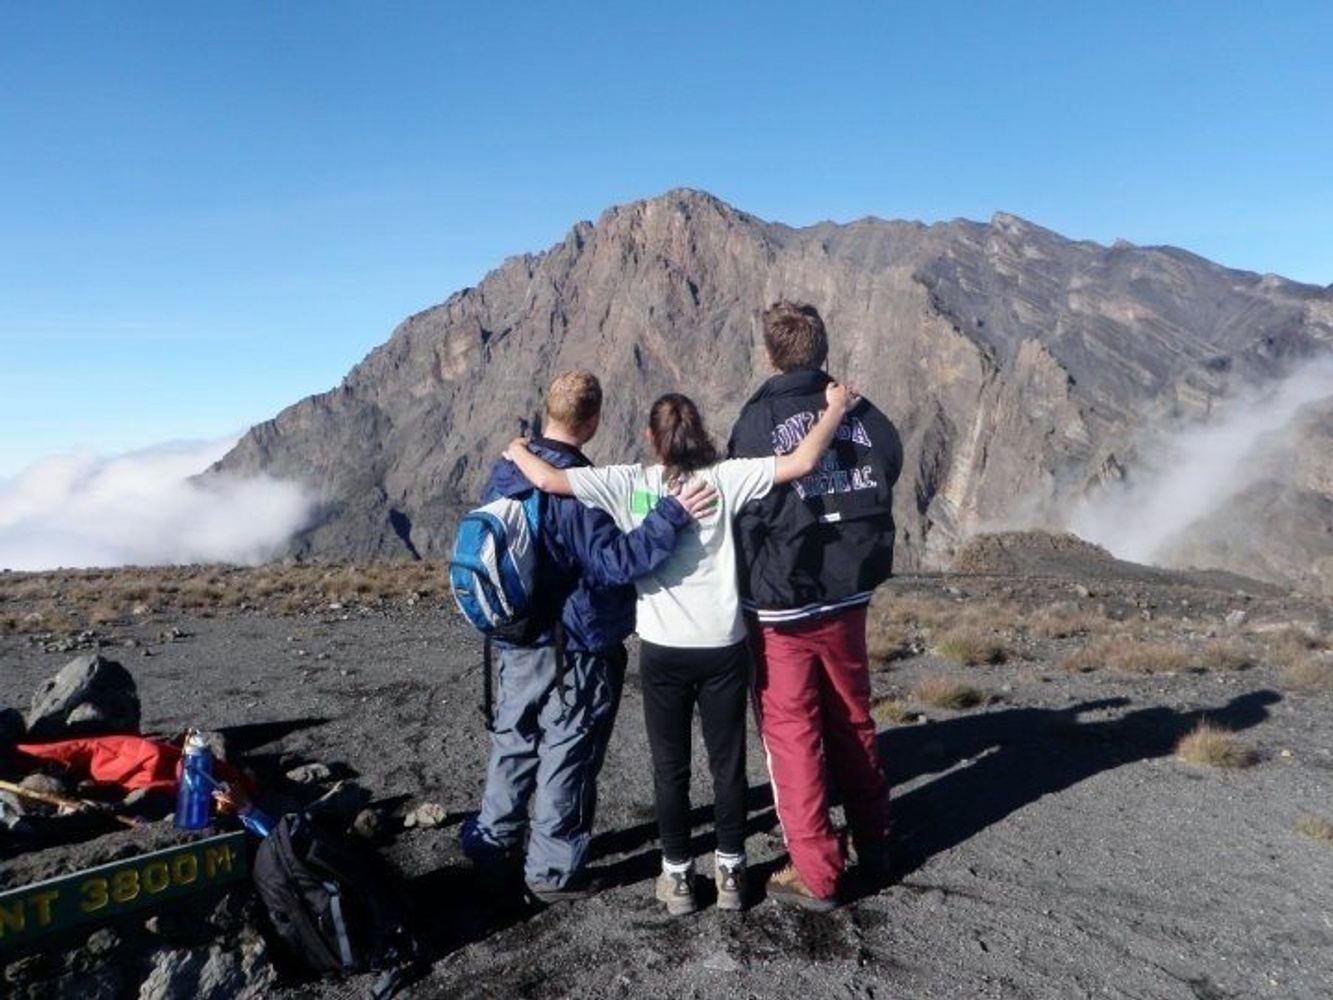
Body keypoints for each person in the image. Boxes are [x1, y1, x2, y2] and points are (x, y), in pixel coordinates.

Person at [504, 382, 854, 915]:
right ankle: (732, 873)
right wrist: (834, 409)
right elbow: (804, 460)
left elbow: (549, 481)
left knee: (670, 768)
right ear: (700, 434)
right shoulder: (727, 477)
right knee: (727, 762)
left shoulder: (627, 482)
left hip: (664, 651)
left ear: (651, 438)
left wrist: (518, 450)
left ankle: (678, 880)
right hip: (723, 646)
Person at [459, 370, 716, 904]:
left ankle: (494, 840)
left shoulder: (506, 472)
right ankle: (552, 872)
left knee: (513, 737)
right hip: (576, 644)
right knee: (568, 748)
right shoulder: (582, 489)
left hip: (514, 635)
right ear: (593, 421)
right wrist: (669, 517)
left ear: (546, 411)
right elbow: (615, 564)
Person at [728, 300, 904, 912]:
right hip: (849, 592)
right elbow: (890, 462)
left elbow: (745, 500)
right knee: (853, 716)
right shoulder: (861, 411)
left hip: (783, 604)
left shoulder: (757, 421)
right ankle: (874, 838)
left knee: (791, 731)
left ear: (771, 355)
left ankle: (817, 870)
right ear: (822, 350)